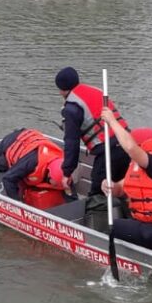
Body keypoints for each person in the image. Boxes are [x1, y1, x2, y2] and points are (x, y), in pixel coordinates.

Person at [96, 108, 152, 249]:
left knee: (114, 226)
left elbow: (131, 148)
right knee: (126, 223)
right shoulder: (138, 166)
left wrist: (112, 121)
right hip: (150, 227)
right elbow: (120, 189)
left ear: (140, 147)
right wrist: (109, 186)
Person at [53, 66, 129, 204]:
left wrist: (67, 173)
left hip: (108, 153)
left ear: (62, 89)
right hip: (128, 144)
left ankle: (99, 216)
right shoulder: (96, 91)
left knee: (97, 197)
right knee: (124, 190)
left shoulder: (71, 108)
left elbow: (72, 143)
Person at [0, 128, 69, 210]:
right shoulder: (30, 163)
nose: (58, 186)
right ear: (49, 174)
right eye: (56, 183)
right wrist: (17, 204)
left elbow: (68, 187)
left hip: (33, 141)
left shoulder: (66, 166)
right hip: (13, 141)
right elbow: (8, 179)